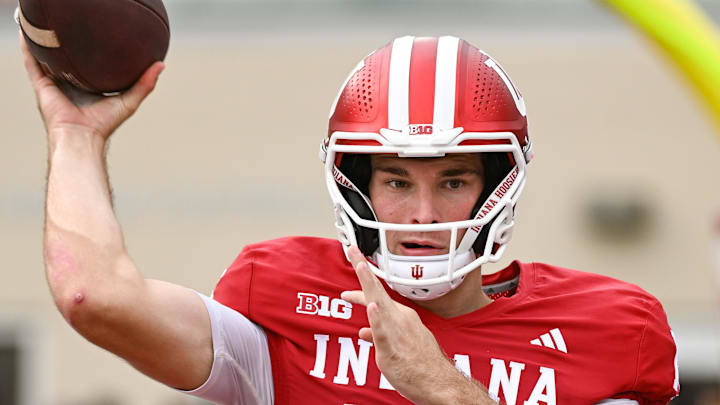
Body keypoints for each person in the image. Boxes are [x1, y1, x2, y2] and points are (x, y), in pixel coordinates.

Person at [21, 32, 679, 405]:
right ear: (356, 183)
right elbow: (93, 294)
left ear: (496, 186)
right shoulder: (280, 297)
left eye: (452, 180)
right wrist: (77, 136)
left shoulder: (612, 328)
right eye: (396, 180)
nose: (423, 213)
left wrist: (442, 387)